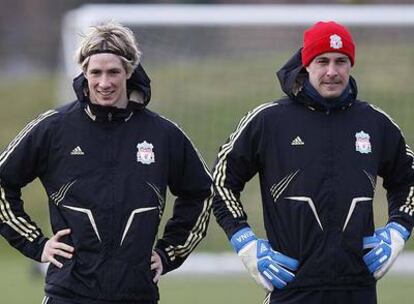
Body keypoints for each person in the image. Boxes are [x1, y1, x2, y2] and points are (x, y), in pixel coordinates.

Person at [0, 21, 213, 304]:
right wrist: (35, 244)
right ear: (84, 73)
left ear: (129, 71)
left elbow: (200, 192)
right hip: (69, 294)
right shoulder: (54, 128)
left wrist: (168, 253)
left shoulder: (163, 134)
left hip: (137, 294)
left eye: (113, 72)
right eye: (95, 72)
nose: (104, 83)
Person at [212, 21, 414, 304]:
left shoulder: (375, 123)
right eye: (322, 61)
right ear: (306, 64)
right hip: (292, 288)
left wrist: (398, 230)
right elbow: (220, 183)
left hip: (358, 290)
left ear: (351, 65)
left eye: (341, 61)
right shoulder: (268, 121)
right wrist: (243, 241)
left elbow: (408, 179)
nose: (332, 71)